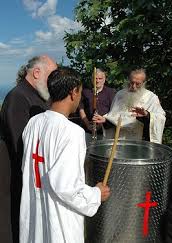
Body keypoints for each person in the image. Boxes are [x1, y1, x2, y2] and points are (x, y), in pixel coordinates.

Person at [20, 67, 110, 243]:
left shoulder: (33, 123)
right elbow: (66, 187)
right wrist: (96, 194)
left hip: (35, 212)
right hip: (59, 220)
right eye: (79, 91)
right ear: (73, 92)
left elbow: (27, 168)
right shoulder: (71, 132)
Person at [0, 55, 57, 243]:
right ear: (37, 72)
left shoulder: (37, 96)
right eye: (51, 75)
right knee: (11, 222)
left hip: (28, 173)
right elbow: (21, 143)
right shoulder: (18, 96)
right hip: (13, 174)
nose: (53, 81)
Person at [93, 69, 166, 144]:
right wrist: (105, 120)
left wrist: (146, 115)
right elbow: (114, 117)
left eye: (137, 84)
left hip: (140, 144)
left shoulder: (151, 98)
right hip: (119, 142)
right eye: (131, 83)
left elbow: (160, 117)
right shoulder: (120, 95)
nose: (133, 86)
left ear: (144, 83)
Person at [79, 68, 116, 134]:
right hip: (88, 129)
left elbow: (114, 111)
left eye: (100, 78)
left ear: (104, 80)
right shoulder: (85, 92)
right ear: (92, 79)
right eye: (95, 78)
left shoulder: (111, 92)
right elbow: (81, 109)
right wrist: (87, 124)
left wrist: (103, 121)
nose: (97, 81)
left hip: (106, 129)